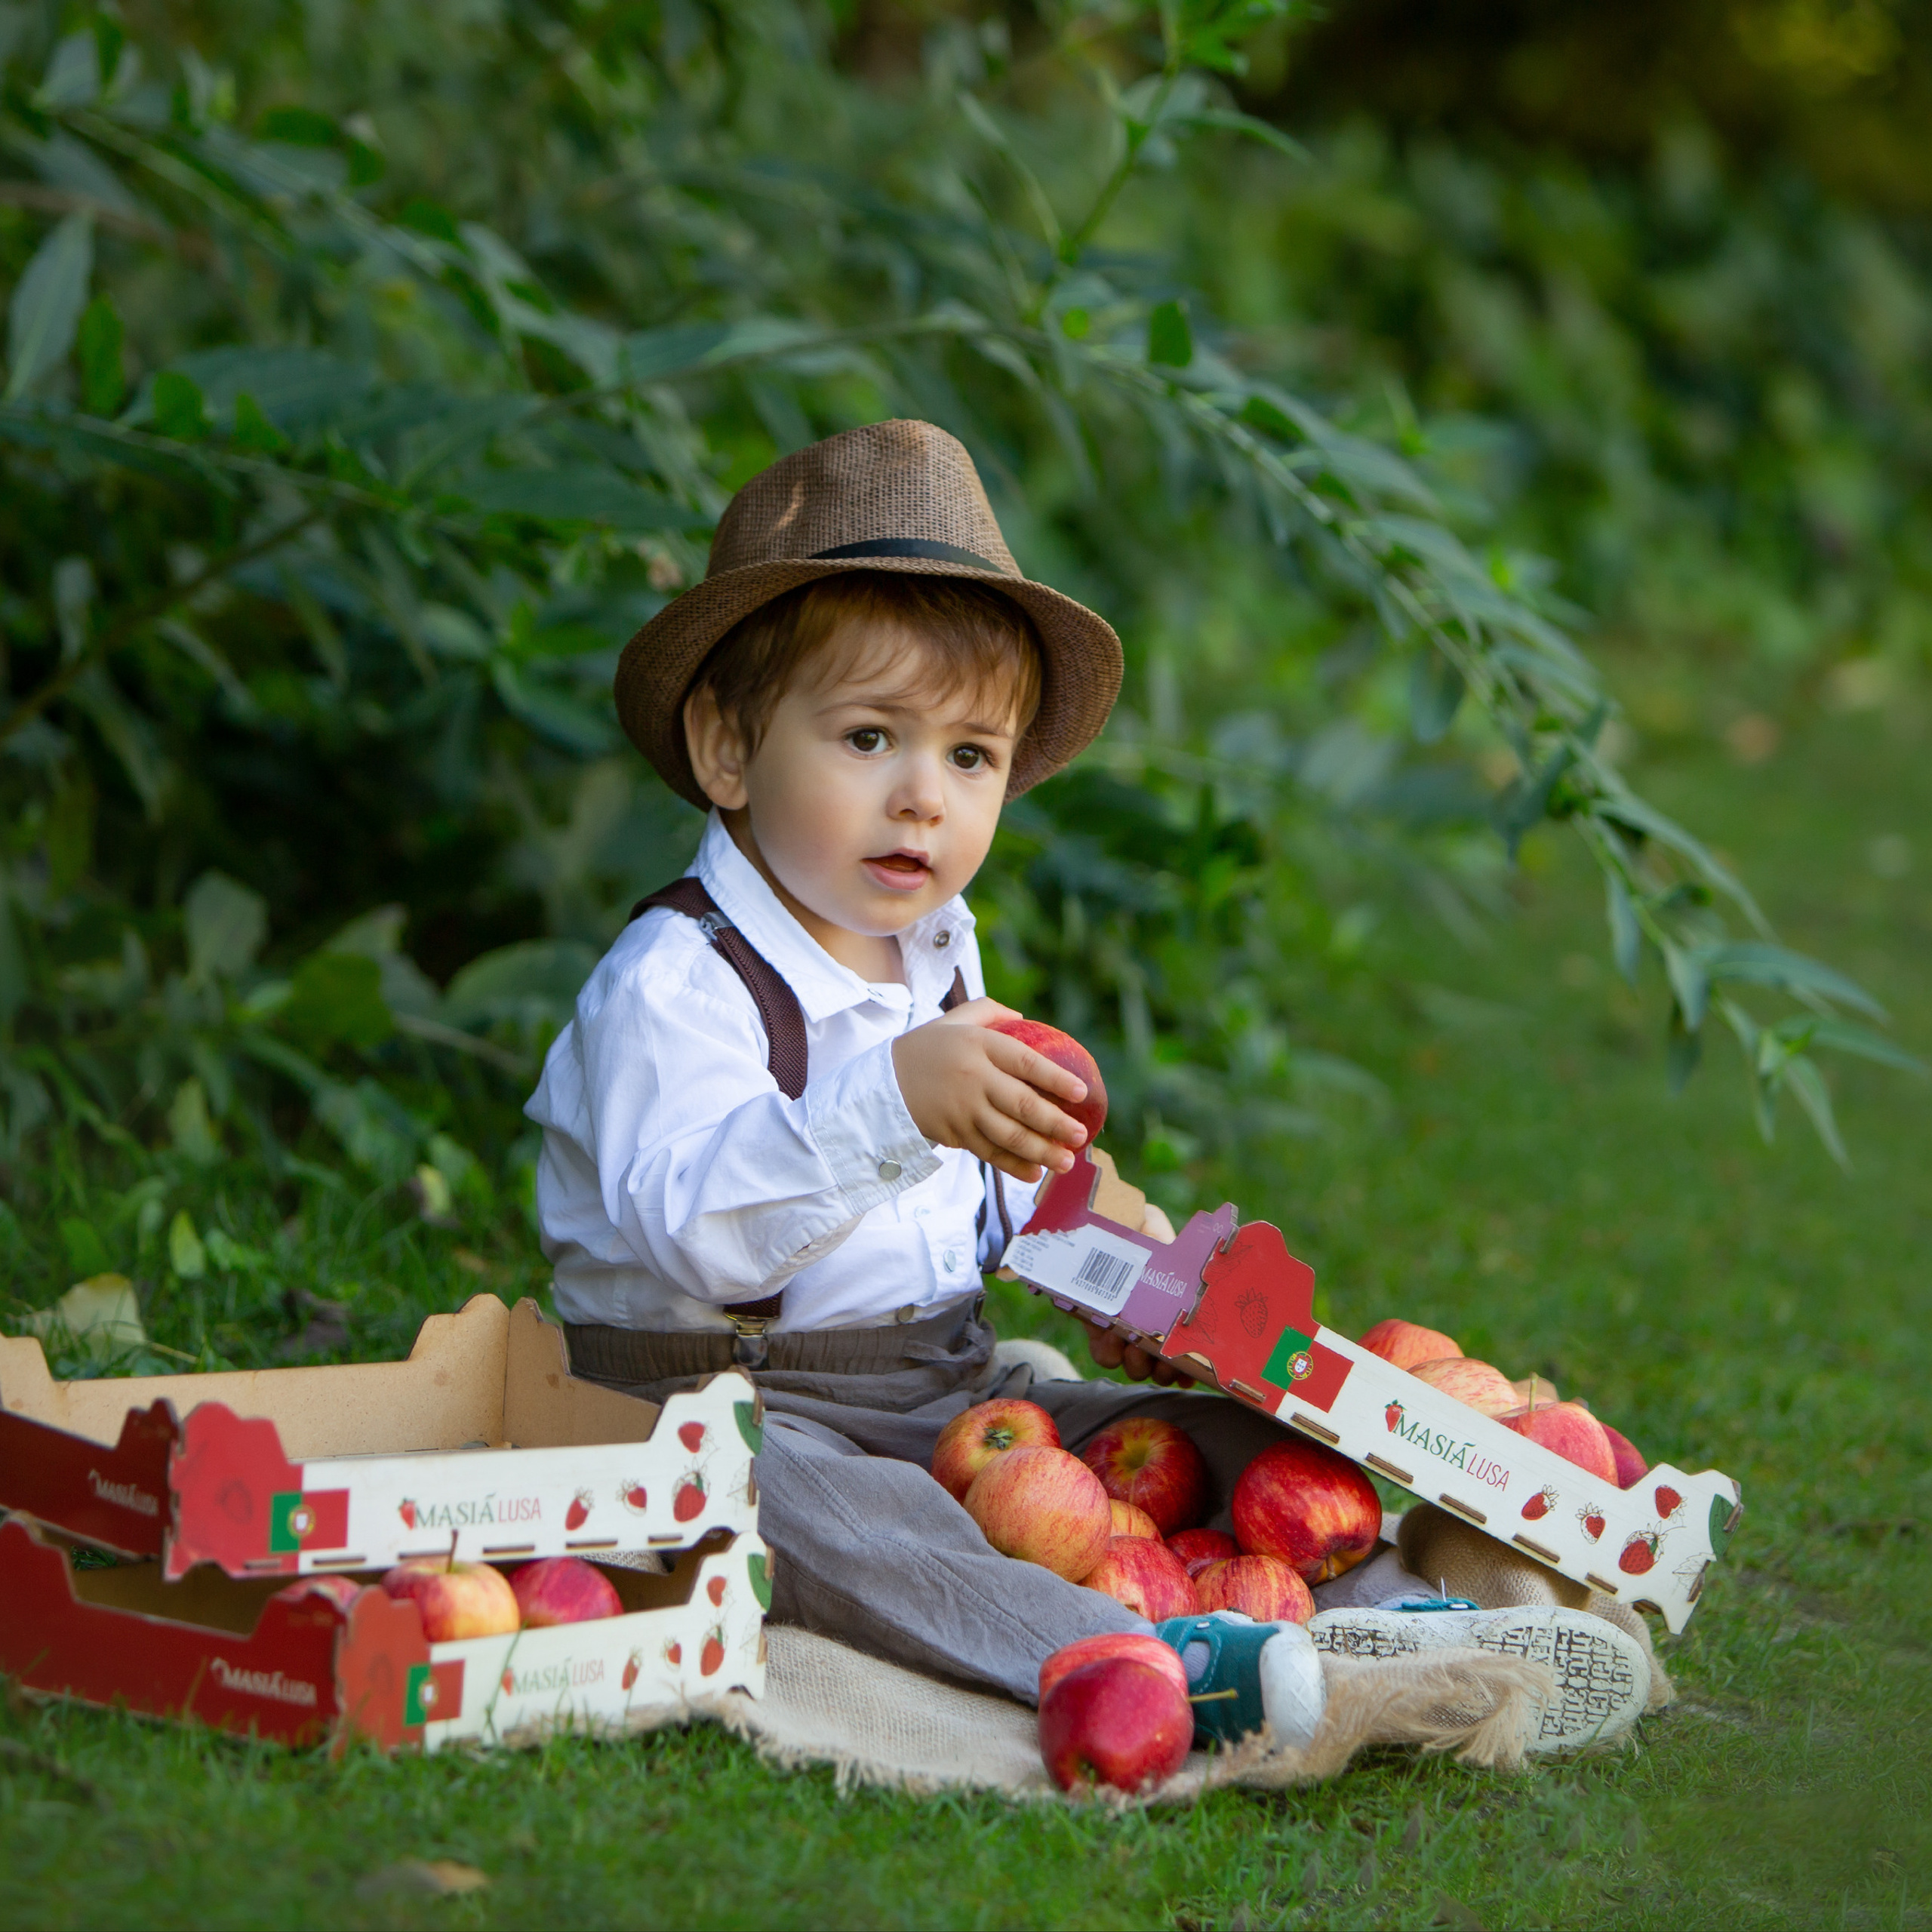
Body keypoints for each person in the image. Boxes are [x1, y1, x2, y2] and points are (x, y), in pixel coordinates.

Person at [525, 420, 1650, 1751]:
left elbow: (982, 1202)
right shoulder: (675, 982)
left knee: (1185, 1439)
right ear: (727, 749)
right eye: (870, 737)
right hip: (722, 1397)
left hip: (935, 1381)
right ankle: (1151, 1659)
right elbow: (692, 1229)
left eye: (968, 758)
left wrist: (1102, 1255)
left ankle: (1400, 1615)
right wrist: (895, 1099)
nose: (921, 801)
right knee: (826, 1519)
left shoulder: (936, 964)